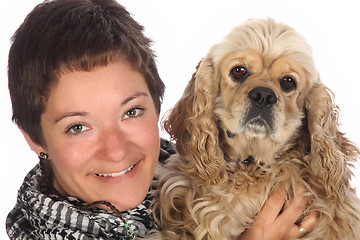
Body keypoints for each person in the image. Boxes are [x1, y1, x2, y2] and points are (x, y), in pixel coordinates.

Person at [6, 0, 318, 239]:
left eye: (131, 112)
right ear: (34, 139)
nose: (115, 151)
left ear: (156, 106)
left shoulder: (184, 174)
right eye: (78, 127)